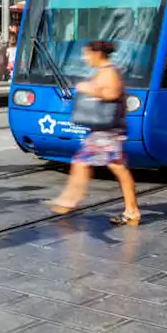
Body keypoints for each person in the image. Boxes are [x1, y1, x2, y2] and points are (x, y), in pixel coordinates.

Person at [48, 40, 141, 225]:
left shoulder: (109, 72)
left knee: (86, 162)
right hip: (104, 130)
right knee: (112, 167)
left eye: (87, 54)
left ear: (97, 54)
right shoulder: (104, 71)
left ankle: (72, 198)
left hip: (108, 131)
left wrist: (90, 89)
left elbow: (112, 94)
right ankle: (131, 210)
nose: (85, 58)